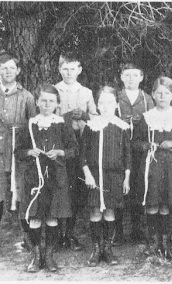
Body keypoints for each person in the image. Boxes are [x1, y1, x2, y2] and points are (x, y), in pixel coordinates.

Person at [15, 84, 78, 272]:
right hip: (34, 179)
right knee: (34, 218)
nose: (46, 104)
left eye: (51, 101)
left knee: (52, 218)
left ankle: (49, 256)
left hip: (56, 178)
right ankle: (36, 256)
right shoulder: (29, 124)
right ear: (37, 102)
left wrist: (60, 152)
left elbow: (74, 150)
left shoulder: (62, 125)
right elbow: (17, 151)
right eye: (43, 100)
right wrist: (28, 151)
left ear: (57, 104)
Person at [132, 76, 172, 262]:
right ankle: (152, 244)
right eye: (158, 93)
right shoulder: (146, 118)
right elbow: (135, 143)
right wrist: (147, 145)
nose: (162, 96)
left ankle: (165, 244)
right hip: (153, 166)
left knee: (165, 205)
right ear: (152, 95)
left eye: (166, 93)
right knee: (152, 203)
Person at [81, 86, 131, 266]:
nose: (106, 106)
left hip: (114, 177)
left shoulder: (122, 127)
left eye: (110, 102)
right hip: (94, 176)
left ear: (116, 104)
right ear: (97, 105)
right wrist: (87, 174)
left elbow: (127, 155)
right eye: (102, 102)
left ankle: (108, 249)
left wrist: (126, 177)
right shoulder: (91, 126)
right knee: (95, 211)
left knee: (110, 211)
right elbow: (83, 154)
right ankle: (96, 249)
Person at [55, 51, 97, 251]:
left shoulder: (86, 92)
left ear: (79, 70)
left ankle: (70, 234)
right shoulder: (54, 90)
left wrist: (86, 115)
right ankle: (59, 235)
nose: (69, 72)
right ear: (59, 69)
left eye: (73, 68)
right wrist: (67, 116)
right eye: (65, 68)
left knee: (76, 191)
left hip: (81, 146)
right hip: (60, 147)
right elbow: (49, 118)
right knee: (61, 188)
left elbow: (96, 118)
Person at [0, 52, 37, 251]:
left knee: (21, 193)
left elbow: (33, 126)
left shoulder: (27, 96)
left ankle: (28, 238)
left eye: (11, 68)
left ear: (18, 71)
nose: (7, 71)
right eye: (3, 67)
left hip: (19, 152)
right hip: (0, 151)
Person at [115, 62, 154, 246]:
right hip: (119, 149)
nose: (131, 79)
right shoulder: (116, 97)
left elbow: (153, 123)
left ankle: (137, 229)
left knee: (138, 187)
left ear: (141, 77)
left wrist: (142, 123)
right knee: (119, 187)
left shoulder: (147, 99)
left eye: (134, 75)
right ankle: (118, 231)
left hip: (139, 150)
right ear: (122, 77)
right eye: (127, 75)